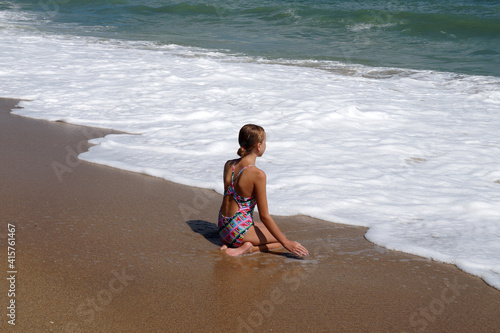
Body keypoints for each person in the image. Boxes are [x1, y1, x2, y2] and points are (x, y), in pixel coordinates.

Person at [218, 124, 309, 257]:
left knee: (269, 230)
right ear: (258, 146)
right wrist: (286, 243)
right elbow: (264, 216)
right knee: (281, 238)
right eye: (265, 141)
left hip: (223, 227)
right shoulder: (257, 175)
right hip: (237, 233)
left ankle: (231, 242)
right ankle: (249, 248)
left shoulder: (229, 164)